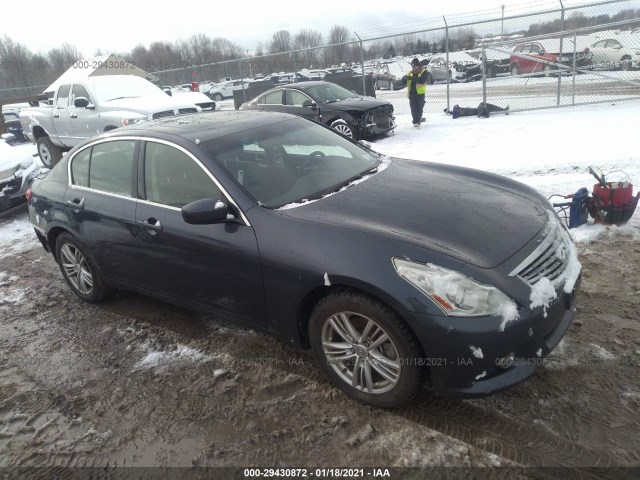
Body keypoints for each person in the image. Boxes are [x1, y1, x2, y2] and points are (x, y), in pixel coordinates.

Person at [401, 58, 428, 127]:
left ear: (418, 66)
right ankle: (416, 121)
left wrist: (411, 78)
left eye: (414, 66)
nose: (413, 68)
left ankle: (418, 119)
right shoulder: (410, 73)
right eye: (412, 66)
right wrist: (404, 78)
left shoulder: (424, 72)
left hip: (420, 93)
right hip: (411, 93)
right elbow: (403, 82)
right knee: (413, 108)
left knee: (419, 107)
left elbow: (422, 80)